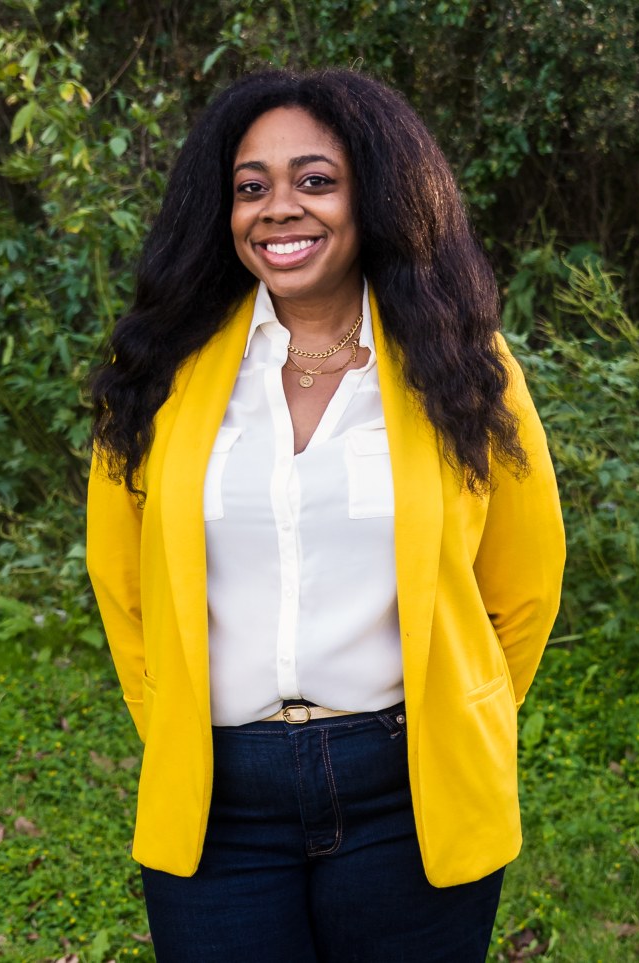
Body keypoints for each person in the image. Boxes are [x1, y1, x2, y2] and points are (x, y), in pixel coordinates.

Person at [86, 68, 565, 963]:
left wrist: (465, 716)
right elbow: (120, 583)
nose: (279, 209)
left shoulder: (465, 362)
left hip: (410, 789)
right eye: (251, 187)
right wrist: (177, 725)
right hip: (217, 798)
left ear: (375, 196)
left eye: (315, 181)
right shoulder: (163, 366)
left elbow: (526, 584)